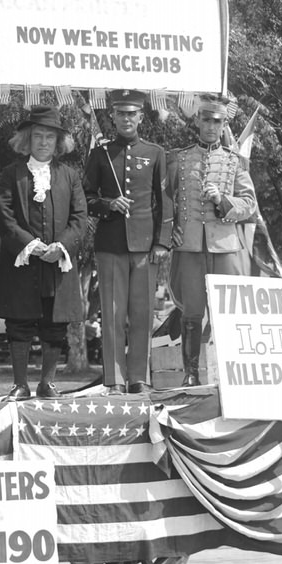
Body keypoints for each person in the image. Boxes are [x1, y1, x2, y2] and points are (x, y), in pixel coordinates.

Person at [0, 105, 88, 400]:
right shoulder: (11, 174)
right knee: (19, 323)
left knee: (54, 324)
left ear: (58, 142)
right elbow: (4, 216)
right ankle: (20, 384)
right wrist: (31, 245)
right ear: (27, 139)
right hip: (22, 262)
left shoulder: (69, 176)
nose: (44, 142)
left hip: (56, 263)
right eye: (38, 136)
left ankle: (47, 383)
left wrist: (61, 247)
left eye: (49, 137)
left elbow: (80, 218)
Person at [82, 90, 172, 393]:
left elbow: (166, 202)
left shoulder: (155, 152)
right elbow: (86, 198)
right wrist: (108, 205)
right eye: (121, 113)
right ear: (113, 117)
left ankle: (138, 378)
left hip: (145, 246)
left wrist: (162, 243)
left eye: (132, 113)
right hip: (110, 244)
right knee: (112, 314)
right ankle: (115, 379)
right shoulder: (101, 153)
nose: (126, 119)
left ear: (141, 117)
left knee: (142, 315)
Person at [166, 92, 257, 386]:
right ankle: (191, 375)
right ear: (198, 120)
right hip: (190, 245)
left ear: (223, 124)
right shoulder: (179, 159)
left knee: (229, 315)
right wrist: (170, 231)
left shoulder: (234, 162)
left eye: (217, 121)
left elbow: (250, 204)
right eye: (206, 119)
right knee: (192, 313)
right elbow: (165, 202)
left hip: (225, 247)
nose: (210, 126)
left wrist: (224, 201)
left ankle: (232, 376)